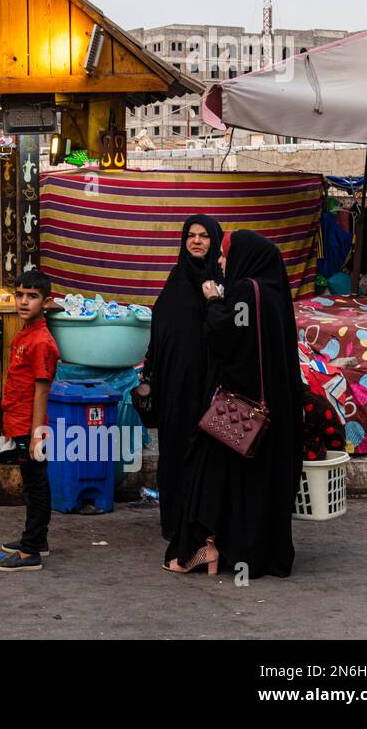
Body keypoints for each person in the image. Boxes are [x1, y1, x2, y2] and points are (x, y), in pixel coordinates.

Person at [165, 230, 304, 578]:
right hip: (270, 414)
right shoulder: (274, 292)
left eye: (226, 255)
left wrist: (213, 300)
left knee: (207, 475)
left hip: (238, 410)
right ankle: (249, 554)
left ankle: (204, 549)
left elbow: (225, 341)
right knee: (250, 485)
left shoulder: (245, 290)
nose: (222, 262)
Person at [137, 214, 223, 542]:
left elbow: (227, 332)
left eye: (204, 236)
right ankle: (174, 524)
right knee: (173, 453)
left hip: (208, 387)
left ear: (214, 241)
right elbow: (160, 333)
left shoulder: (221, 282)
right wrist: (149, 375)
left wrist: (213, 299)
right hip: (174, 387)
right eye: (191, 235)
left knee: (204, 455)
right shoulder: (175, 278)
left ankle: (202, 527)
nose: (197, 241)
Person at [0, 270, 60, 573]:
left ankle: (31, 550)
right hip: (17, 421)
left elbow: (42, 391)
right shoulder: (26, 333)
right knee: (33, 484)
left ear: (47, 301)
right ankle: (36, 540)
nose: (23, 301)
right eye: (20, 294)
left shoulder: (41, 341)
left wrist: (36, 435)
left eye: (32, 296)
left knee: (36, 485)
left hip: (28, 426)